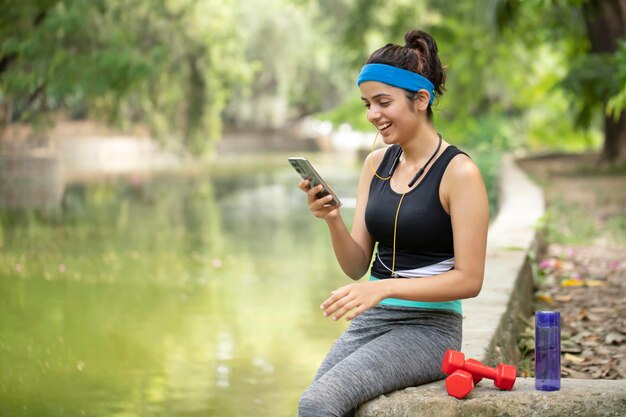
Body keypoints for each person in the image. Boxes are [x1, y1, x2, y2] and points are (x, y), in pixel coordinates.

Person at [296, 29, 489, 417]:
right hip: (375, 320)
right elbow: (355, 266)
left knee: (318, 403)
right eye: (367, 104)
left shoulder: (460, 173)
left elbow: (470, 280)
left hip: (430, 329)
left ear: (421, 99)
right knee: (316, 402)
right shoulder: (376, 165)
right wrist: (332, 219)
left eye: (383, 102)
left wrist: (383, 289)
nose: (372, 115)